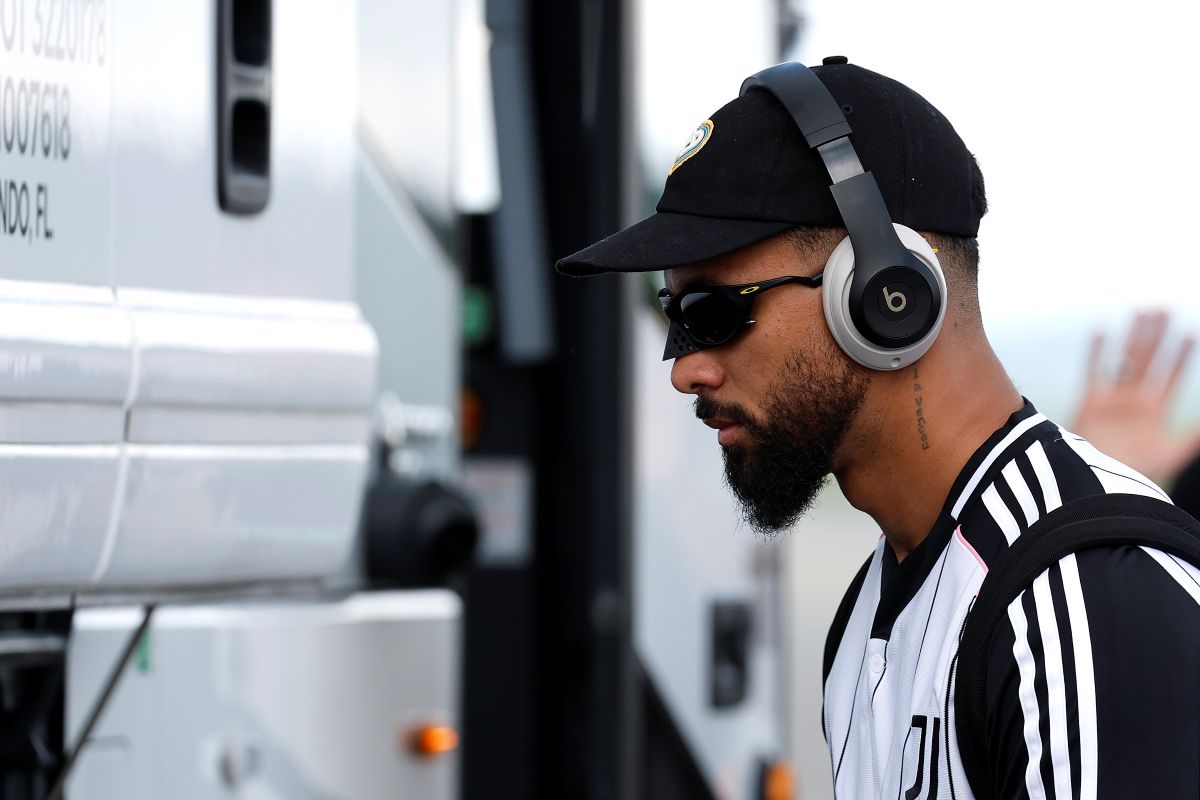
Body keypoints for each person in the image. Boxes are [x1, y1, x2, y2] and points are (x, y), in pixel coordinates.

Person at [556, 58, 1200, 798]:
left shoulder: (1079, 608)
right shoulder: (878, 606)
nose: (685, 371)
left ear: (884, 293)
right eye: (674, 324)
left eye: (714, 314)